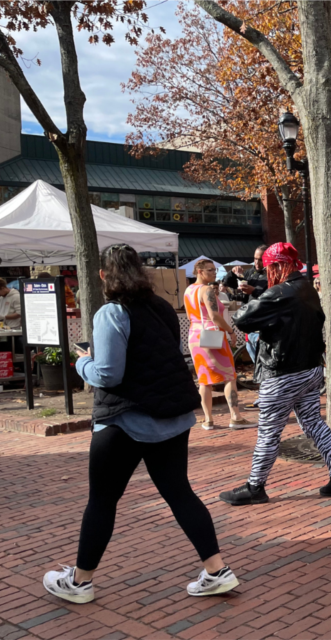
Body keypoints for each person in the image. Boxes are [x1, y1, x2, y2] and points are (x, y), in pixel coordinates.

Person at [42, 243, 238, 604]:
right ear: (141, 272)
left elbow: (109, 374)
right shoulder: (161, 306)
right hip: (171, 416)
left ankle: (80, 581)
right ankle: (217, 569)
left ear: (103, 275)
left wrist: (83, 363)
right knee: (180, 493)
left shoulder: (111, 313)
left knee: (102, 500)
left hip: (124, 418)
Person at [219, 243, 331, 504]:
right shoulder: (307, 289)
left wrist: (256, 294)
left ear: (279, 266)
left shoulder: (280, 292)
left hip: (282, 373)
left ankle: (256, 487)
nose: (268, 273)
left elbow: (243, 318)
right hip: (310, 368)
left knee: (269, 431)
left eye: (269, 268)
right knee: (314, 423)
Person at [184, 259, 254, 430]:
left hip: (195, 335)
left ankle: (208, 419)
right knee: (229, 376)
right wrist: (231, 332)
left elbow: (189, 315)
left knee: (204, 380)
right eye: (210, 270)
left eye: (214, 270)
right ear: (199, 271)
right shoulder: (206, 290)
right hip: (212, 334)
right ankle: (235, 416)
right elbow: (214, 316)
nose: (214, 273)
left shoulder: (188, 289)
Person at [222, 245, 268, 363]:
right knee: (255, 361)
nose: (257, 262)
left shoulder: (271, 275)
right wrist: (232, 274)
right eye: (255, 259)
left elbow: (272, 298)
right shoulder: (250, 272)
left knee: (263, 362)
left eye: (260, 259)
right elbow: (229, 284)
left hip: (262, 325)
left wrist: (254, 291)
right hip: (248, 323)